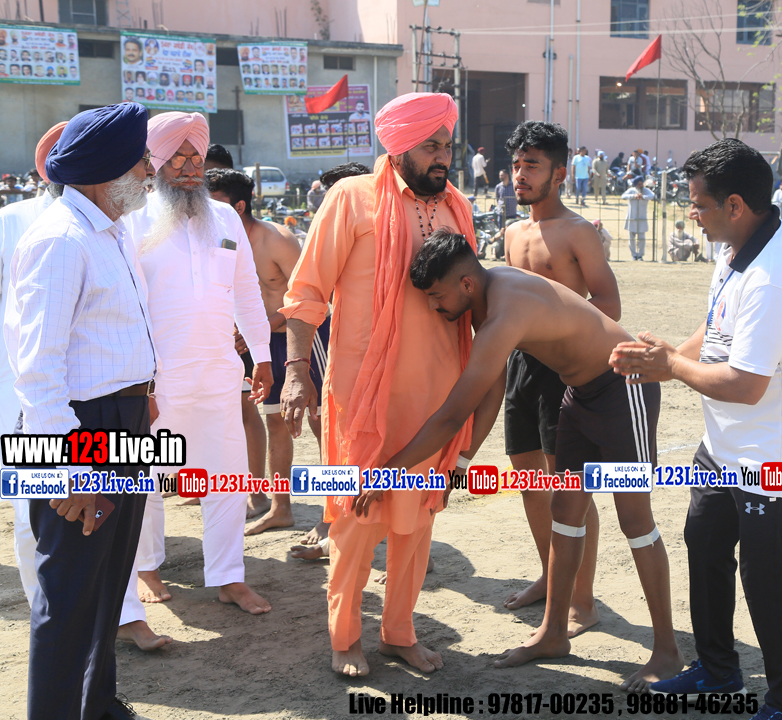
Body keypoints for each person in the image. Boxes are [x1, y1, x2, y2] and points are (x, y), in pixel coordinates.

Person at [399, 228, 682, 692]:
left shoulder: (504, 310)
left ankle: (667, 650)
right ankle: (553, 634)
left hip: (623, 388)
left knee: (635, 520)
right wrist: (462, 463)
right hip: (579, 396)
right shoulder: (485, 300)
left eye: (436, 295)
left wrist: (383, 471)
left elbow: (452, 413)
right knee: (565, 512)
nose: (434, 306)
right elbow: (491, 390)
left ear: (466, 283)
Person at [612, 138, 782, 720]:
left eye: (698, 204)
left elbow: (745, 384)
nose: (691, 214)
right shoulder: (734, 251)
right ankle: (717, 670)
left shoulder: (774, 275)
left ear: (735, 205)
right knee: (704, 546)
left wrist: (670, 367)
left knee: (768, 580)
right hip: (724, 445)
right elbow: (716, 331)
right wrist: (663, 358)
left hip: (773, 454)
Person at [279, 92, 482, 678]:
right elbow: (306, 293)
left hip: (436, 400)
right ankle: (345, 638)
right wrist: (295, 371)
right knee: (355, 522)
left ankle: (398, 633)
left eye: (447, 145)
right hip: (364, 400)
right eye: (431, 146)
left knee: (418, 522)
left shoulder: (458, 207)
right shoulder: (351, 198)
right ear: (398, 148)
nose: (443, 157)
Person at [3, 103, 157, 720]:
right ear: (105, 169)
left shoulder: (109, 231)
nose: (150, 171)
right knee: (68, 595)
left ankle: (97, 706)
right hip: (79, 429)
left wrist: (142, 396)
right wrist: (67, 470)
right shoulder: (60, 240)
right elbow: (37, 369)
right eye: (141, 161)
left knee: (108, 581)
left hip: (121, 421)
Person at [121, 112, 273, 622]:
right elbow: (125, 304)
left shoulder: (225, 218)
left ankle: (229, 576)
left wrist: (262, 355)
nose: (189, 168)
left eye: (196, 158)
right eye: (178, 158)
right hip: (157, 376)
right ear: (156, 163)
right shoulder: (133, 219)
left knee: (228, 476)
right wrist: (138, 379)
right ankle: (147, 567)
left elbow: (246, 289)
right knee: (146, 477)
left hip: (218, 371)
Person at [500, 121, 620, 631]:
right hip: (521, 365)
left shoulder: (578, 232)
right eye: (516, 164)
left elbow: (608, 303)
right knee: (529, 478)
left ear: (560, 174)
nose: (520, 174)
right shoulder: (512, 233)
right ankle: (552, 579)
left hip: (566, 371)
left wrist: (568, 340)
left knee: (569, 488)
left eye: (532, 165)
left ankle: (583, 600)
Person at [202, 168, 331, 536]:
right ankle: (280, 507)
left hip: (302, 336)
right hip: (260, 342)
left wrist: (260, 327)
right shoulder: (219, 241)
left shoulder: (277, 240)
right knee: (275, 420)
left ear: (239, 206)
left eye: (214, 204)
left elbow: (313, 296)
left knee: (320, 422)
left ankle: (332, 515)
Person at [0, 123, 65, 613]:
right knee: (31, 505)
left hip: (92, 387)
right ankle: (46, 611)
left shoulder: (116, 224)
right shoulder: (12, 220)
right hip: (20, 383)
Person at [623, 176, 654, 261]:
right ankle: (634, 255)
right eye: (638, 184)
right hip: (632, 217)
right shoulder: (631, 190)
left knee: (641, 238)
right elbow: (623, 196)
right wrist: (634, 196)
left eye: (641, 184)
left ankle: (640, 255)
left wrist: (643, 197)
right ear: (635, 184)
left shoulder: (646, 191)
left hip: (642, 218)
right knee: (631, 238)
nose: (640, 185)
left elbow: (652, 196)